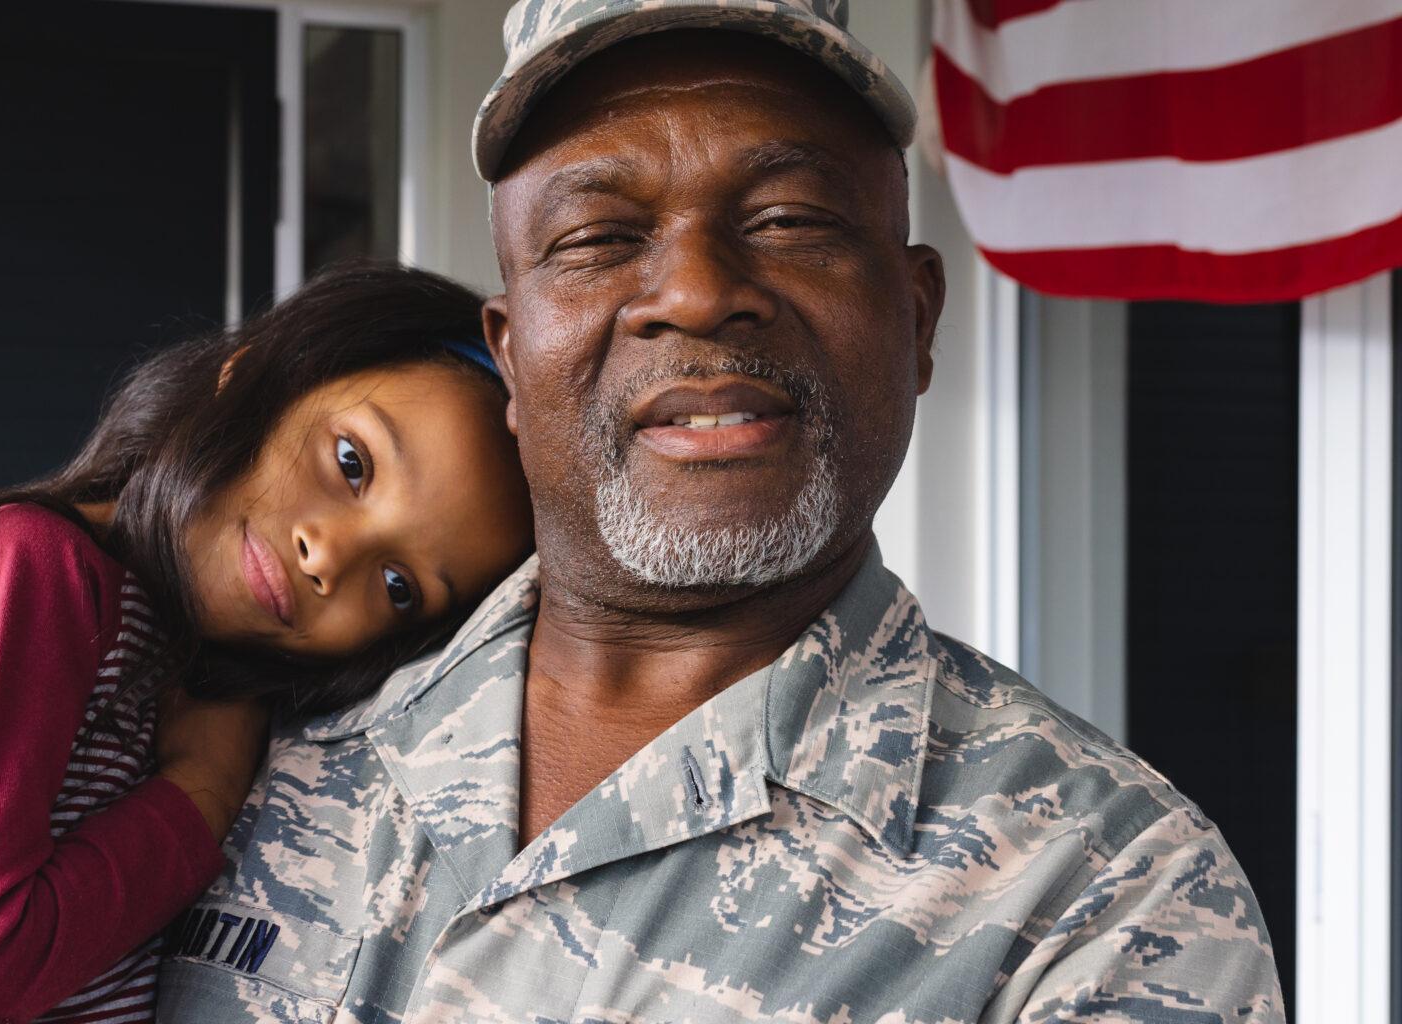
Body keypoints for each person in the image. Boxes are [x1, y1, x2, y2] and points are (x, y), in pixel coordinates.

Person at [158, 3, 1286, 1022]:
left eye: (791, 219)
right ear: (512, 356)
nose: (696, 292)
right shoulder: (242, 740)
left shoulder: (1103, 892)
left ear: (917, 315)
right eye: (599, 237)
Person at [0, 261, 533, 1022]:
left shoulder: (193, 695)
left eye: (398, 587)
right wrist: (200, 794)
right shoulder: (27, 566)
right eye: (351, 463)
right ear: (249, 376)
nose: (330, 556)